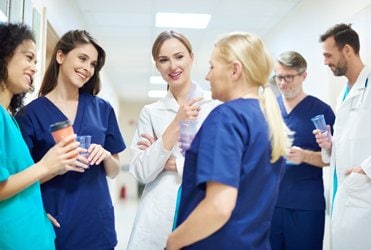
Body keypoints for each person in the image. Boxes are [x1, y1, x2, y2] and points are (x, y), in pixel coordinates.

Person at [166, 32, 292, 249]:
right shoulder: (267, 118)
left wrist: (173, 242)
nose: (207, 77)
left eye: (212, 67)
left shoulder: (227, 117)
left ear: (235, 70)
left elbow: (219, 206)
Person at [16, 29, 126, 249]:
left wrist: (105, 156)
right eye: (82, 58)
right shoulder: (29, 115)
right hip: (55, 223)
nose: (87, 68)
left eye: (93, 64)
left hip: (97, 225)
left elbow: (114, 171)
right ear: (60, 56)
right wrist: (53, 167)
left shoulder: (102, 109)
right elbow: (21, 180)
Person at [127, 30, 219, 250]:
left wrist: (169, 161)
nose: (172, 66)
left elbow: (219, 165)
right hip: (158, 211)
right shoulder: (151, 112)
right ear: (157, 65)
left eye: (179, 57)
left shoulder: (214, 106)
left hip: (202, 204)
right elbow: (142, 171)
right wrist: (177, 122)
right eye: (163, 60)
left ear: (191, 57)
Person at [0, 23, 86, 249]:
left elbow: (18, 181)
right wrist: (46, 166)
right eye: (28, 57)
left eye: (36, 62)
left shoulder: (9, 119)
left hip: (32, 233)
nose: (34, 68)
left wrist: (34, 212)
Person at [316, 23, 371, 250]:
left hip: (369, 197)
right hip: (344, 193)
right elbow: (355, 141)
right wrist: (331, 144)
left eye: (328, 55)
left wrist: (367, 168)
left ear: (347, 50)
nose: (325, 62)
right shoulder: (344, 94)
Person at [270, 51, 335, 250]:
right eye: (279, 77)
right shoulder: (269, 108)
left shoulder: (321, 111)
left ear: (303, 76)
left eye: (289, 77)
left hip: (305, 205)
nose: (282, 83)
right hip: (271, 204)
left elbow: (332, 159)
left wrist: (304, 156)